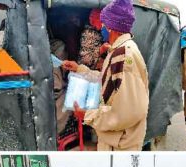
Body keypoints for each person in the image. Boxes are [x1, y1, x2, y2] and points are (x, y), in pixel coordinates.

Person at [62, 0, 149, 151]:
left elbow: (127, 112)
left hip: (121, 144)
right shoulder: (118, 50)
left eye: (103, 23)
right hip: (115, 139)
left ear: (111, 27)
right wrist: (80, 69)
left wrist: (87, 115)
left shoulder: (124, 55)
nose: (101, 28)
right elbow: (108, 80)